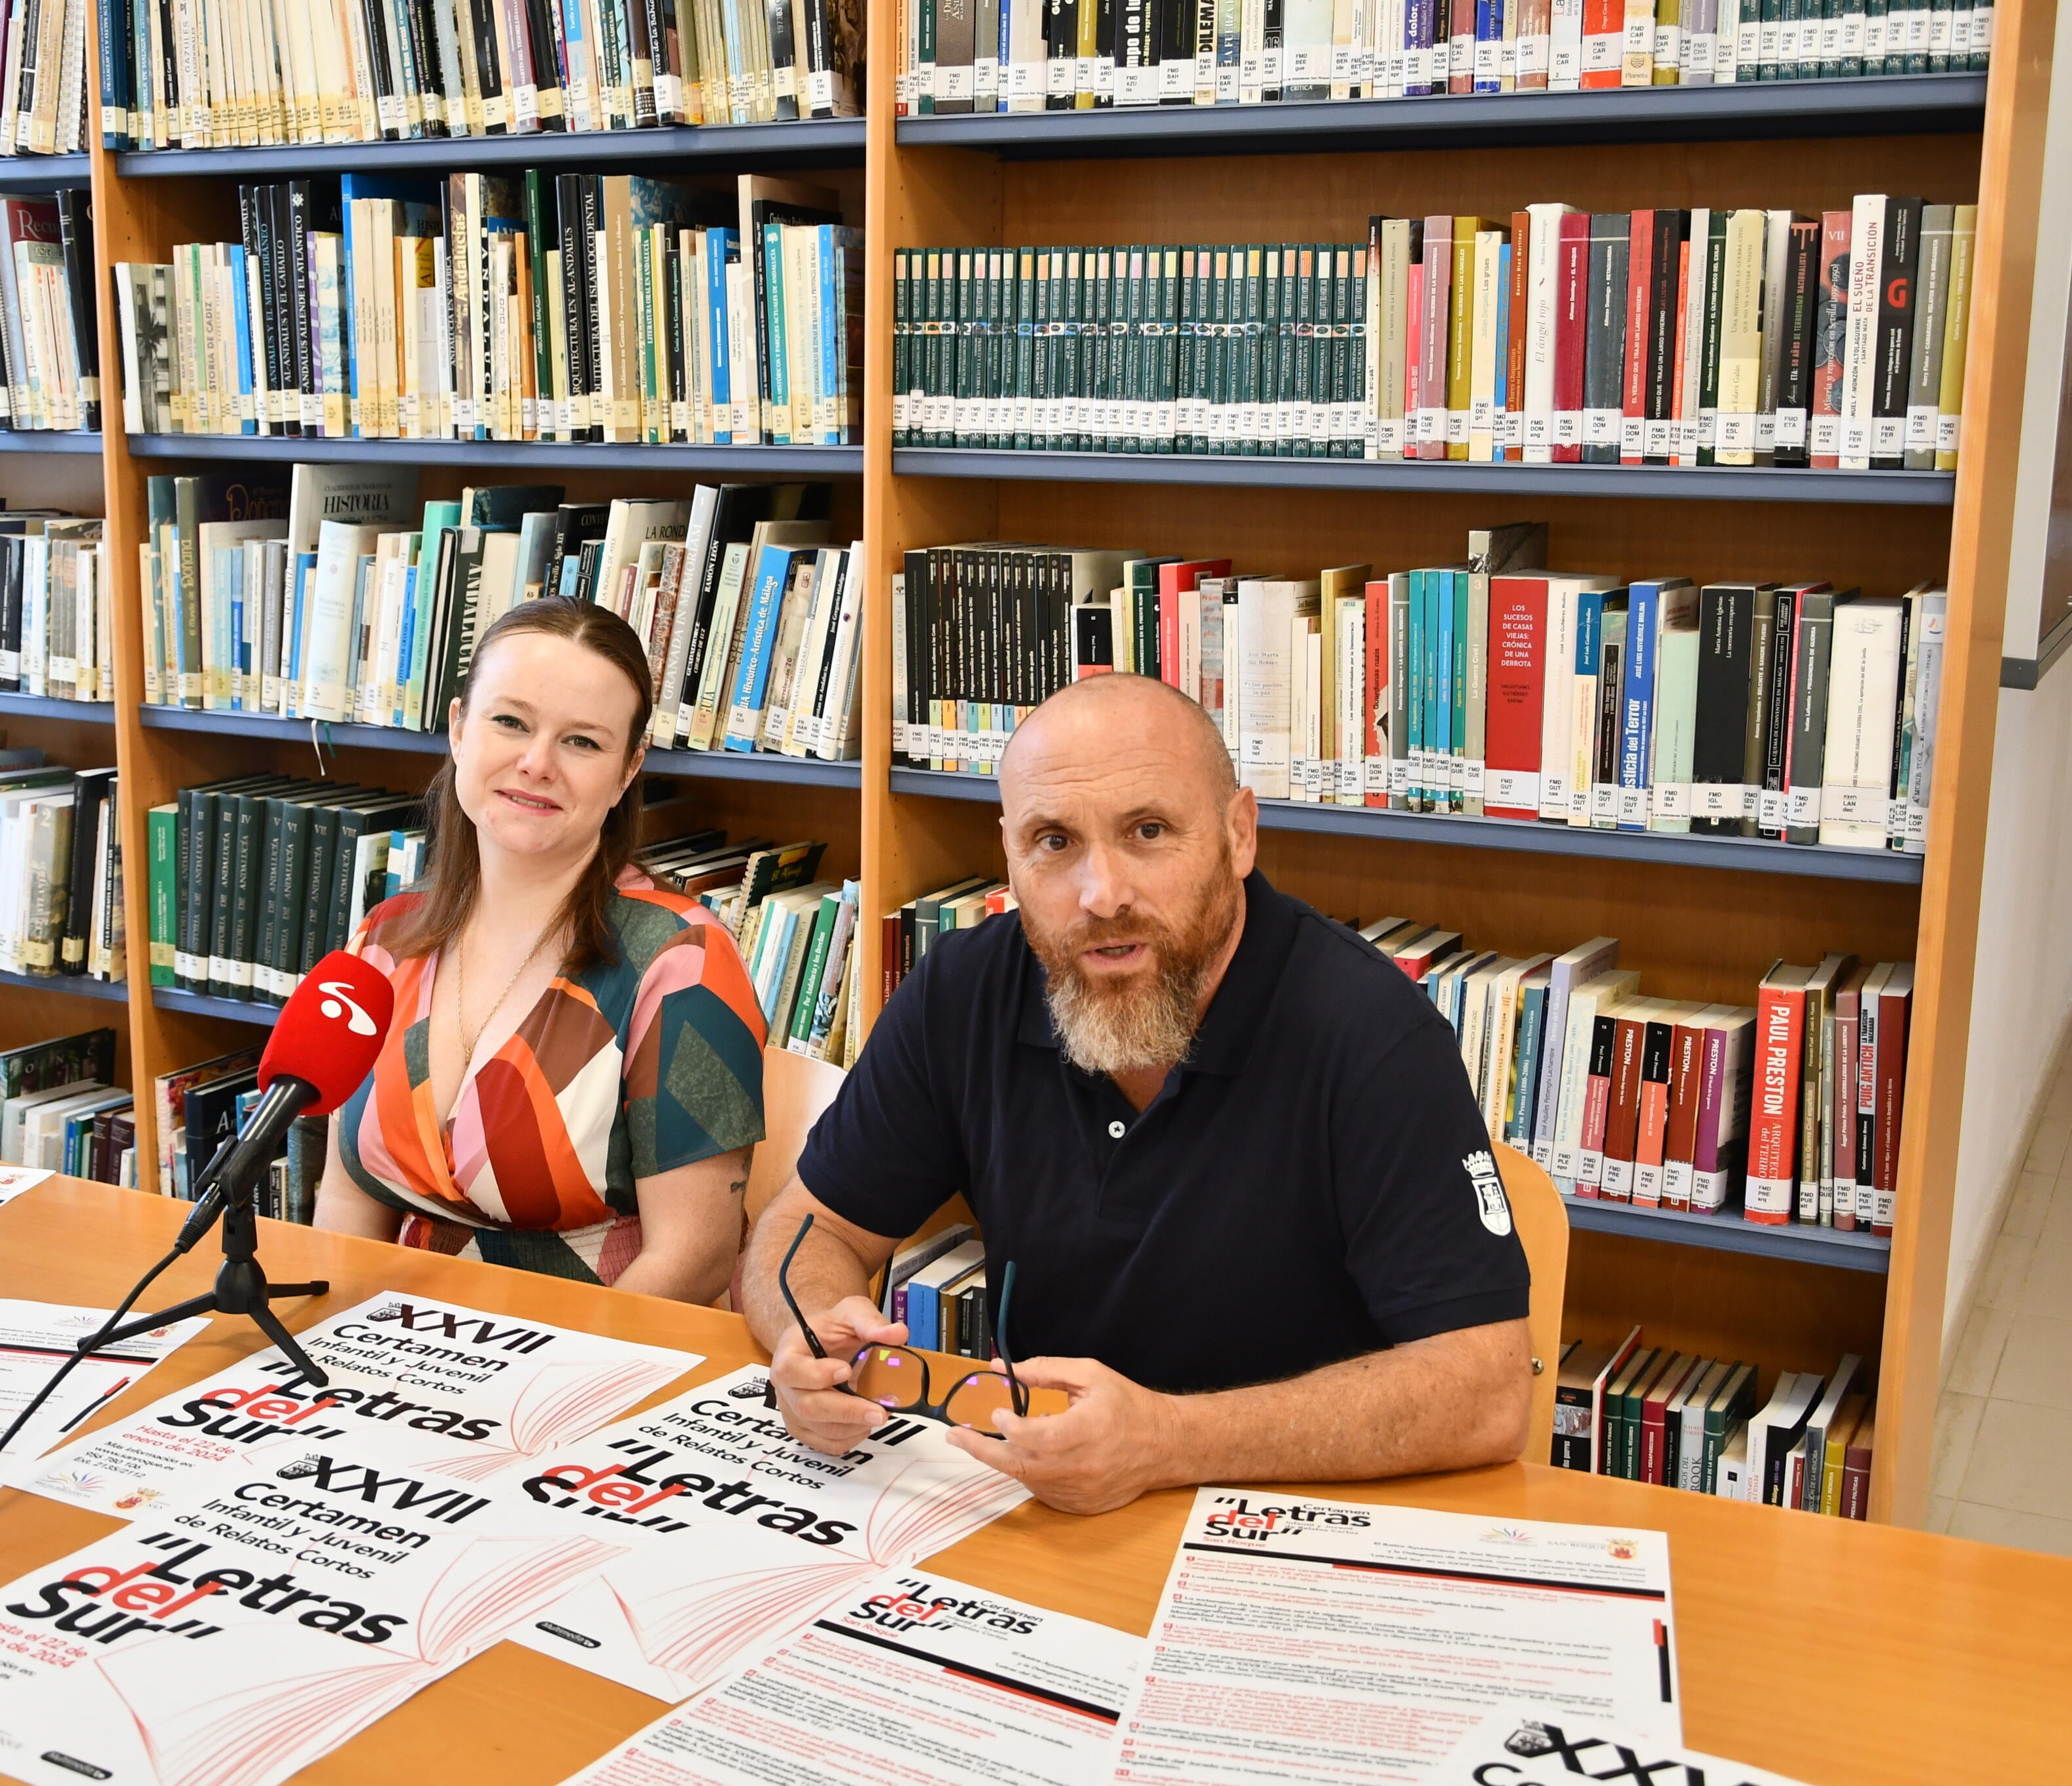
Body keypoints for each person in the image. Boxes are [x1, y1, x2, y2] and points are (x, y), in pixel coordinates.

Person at [740, 673, 1533, 1514]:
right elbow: (803, 1229)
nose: (1102, 894)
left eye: (1147, 831)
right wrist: (811, 1327)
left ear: (1238, 834)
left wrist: (1167, 1442)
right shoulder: (962, 991)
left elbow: (1484, 1389)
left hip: (1295, 1515)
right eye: (1054, 842)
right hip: (1052, 1506)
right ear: (1008, 850)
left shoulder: (1368, 1030)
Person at [313, 598, 768, 1302]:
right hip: (394, 1359)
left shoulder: (682, 962)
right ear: (460, 728)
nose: (536, 763)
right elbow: (346, 1208)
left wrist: (539, 1395)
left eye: (582, 742)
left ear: (627, 769)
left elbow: (695, 1261)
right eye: (510, 722)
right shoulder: (384, 939)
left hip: (597, 1361)